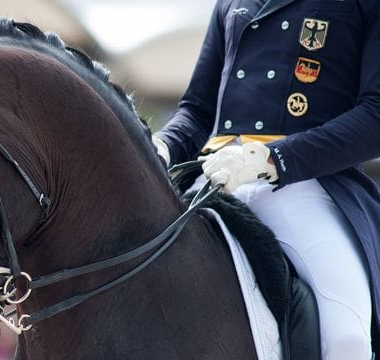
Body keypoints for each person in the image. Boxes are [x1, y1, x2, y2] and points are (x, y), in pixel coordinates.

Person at [152, 0, 380, 359]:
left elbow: (375, 117)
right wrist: (160, 148)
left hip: (305, 184)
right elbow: (197, 111)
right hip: (214, 175)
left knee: (345, 341)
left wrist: (273, 158)